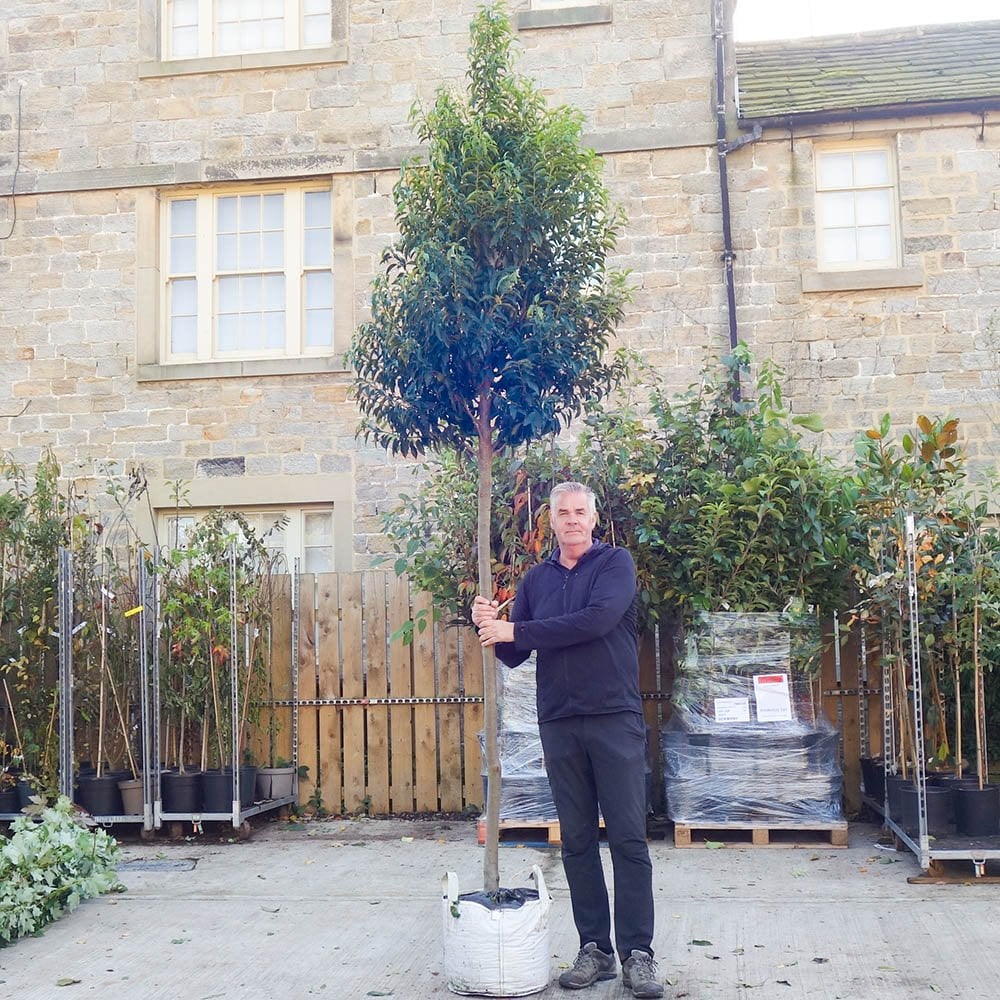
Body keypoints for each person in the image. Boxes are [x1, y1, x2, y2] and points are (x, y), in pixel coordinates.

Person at [473, 481, 662, 998]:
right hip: (558, 720)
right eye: (563, 512)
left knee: (627, 837)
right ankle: (595, 949)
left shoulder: (615, 565)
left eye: (580, 511)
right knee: (576, 841)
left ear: (594, 518)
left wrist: (517, 631)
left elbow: (594, 623)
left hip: (614, 718)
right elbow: (513, 653)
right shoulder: (537, 579)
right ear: (550, 521)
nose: (572, 519)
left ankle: (638, 954)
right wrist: (490, 627)